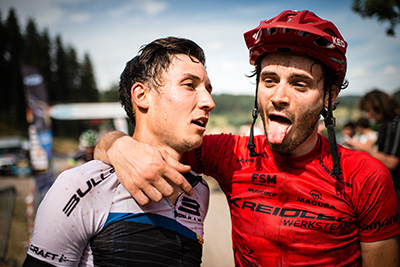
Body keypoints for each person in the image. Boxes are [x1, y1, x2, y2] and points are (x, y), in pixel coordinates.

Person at [95, 10, 400, 266]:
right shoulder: (230, 153)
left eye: (300, 84)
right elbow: (141, 142)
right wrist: (119, 146)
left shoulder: (366, 176)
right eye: (269, 81)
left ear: (329, 97)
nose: (278, 97)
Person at [23, 36, 215, 266]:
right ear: (141, 96)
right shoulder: (81, 184)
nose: (209, 101)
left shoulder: (199, 190)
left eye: (208, 89)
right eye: (189, 85)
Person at [357, 89, 400, 224]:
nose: (369, 115)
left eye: (370, 110)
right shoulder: (387, 124)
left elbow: (392, 162)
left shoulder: (396, 123)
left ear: (379, 105)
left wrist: (366, 149)